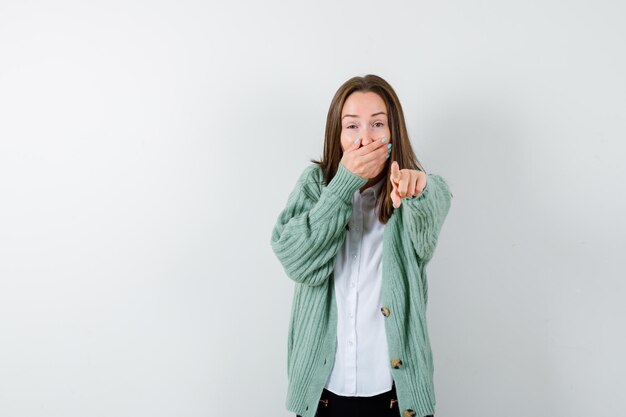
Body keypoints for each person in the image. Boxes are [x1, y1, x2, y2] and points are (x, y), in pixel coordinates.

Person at [270, 74, 453, 417]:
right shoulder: (315, 185)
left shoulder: (414, 189)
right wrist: (342, 187)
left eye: (377, 124)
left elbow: (429, 227)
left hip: (396, 397)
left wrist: (418, 188)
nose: (364, 138)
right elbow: (295, 260)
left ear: (393, 132)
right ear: (337, 135)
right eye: (352, 126)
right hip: (323, 394)